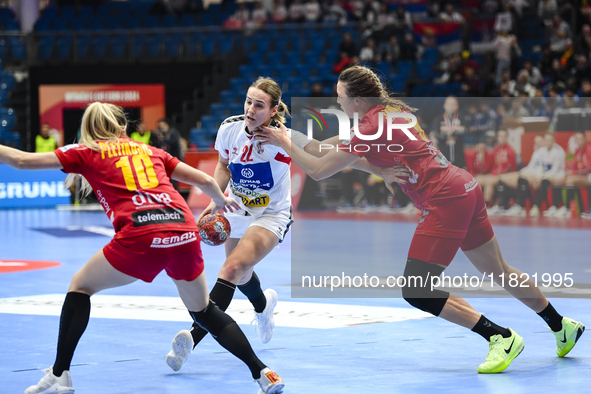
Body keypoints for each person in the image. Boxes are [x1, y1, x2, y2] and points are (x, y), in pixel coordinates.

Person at [254, 65, 585, 374]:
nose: (337, 100)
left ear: (356, 100)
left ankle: (499, 336)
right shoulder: (392, 113)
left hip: (444, 202)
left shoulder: (369, 126)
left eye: (340, 96)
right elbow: (328, 148)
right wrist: (373, 166)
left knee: (416, 289)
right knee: (499, 270)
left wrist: (285, 142)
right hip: (464, 187)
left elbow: (318, 170)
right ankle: (561, 326)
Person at [0, 102, 285, 394]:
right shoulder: (150, 150)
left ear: (87, 130)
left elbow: (21, 161)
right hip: (183, 231)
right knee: (204, 312)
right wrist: (222, 203)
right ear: (123, 127)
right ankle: (262, 372)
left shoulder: (86, 152)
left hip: (142, 234)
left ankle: (60, 374)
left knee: (79, 287)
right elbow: (205, 180)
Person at [166, 76, 409, 371]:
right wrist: (214, 200)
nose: (251, 109)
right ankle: (263, 305)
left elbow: (324, 152)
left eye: (259, 105)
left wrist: (377, 169)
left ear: (273, 110)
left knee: (231, 269)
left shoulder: (285, 137)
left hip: (271, 215)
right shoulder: (229, 128)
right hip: (235, 207)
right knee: (241, 275)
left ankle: (193, 337)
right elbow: (223, 165)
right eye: (248, 102)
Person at [501, 132, 566, 217]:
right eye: (546, 140)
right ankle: (516, 206)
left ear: (554, 140)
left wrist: (541, 177)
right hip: (543, 175)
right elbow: (539, 167)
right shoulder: (542, 151)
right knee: (521, 179)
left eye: (550, 140)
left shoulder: (558, 151)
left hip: (557, 174)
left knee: (545, 181)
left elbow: (555, 170)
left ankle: (538, 206)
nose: (548, 142)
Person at [551, 131, 591, 218]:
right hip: (580, 176)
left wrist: (574, 173)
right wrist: (569, 170)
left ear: (585, 139)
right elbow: (571, 164)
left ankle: (568, 209)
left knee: (570, 180)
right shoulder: (576, 151)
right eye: (576, 139)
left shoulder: (588, 149)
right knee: (558, 180)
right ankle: (556, 207)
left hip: (588, 176)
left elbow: (588, 168)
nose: (578, 141)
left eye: (580, 139)